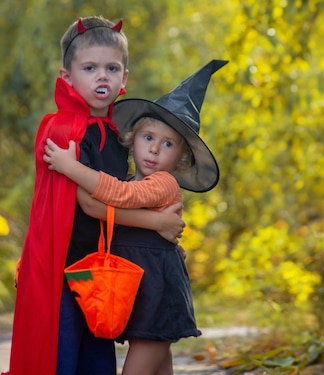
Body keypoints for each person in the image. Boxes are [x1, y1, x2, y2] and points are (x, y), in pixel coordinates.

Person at [3, 16, 185, 375]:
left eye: (111, 68)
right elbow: (88, 203)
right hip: (65, 265)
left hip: (99, 268)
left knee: (95, 356)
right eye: (90, 68)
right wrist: (158, 222)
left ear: (124, 79)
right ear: (67, 77)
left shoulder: (115, 134)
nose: (102, 76)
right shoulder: (67, 130)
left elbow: (124, 194)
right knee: (63, 352)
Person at [44, 60, 228, 375]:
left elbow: (119, 196)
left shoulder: (162, 184)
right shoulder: (133, 180)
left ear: (181, 159)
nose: (154, 150)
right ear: (133, 139)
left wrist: (70, 168)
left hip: (158, 294)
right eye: (148, 138)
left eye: (167, 144)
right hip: (144, 295)